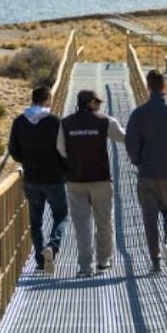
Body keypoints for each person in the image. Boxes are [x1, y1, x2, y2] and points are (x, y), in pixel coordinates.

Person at [125, 69, 167, 274]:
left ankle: (155, 262)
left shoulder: (138, 114)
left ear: (148, 87)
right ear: (164, 86)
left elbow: (130, 143)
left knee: (150, 218)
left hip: (146, 174)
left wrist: (138, 162)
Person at [58, 89, 126, 277]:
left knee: (82, 225)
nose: (99, 105)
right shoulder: (105, 121)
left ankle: (85, 266)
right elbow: (123, 137)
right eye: (97, 102)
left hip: (75, 181)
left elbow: (60, 149)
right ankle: (103, 261)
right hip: (100, 180)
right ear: (90, 103)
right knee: (104, 221)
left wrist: (74, 160)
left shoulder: (65, 123)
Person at [8, 86, 68, 275]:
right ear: (48, 99)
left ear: (32, 99)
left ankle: (40, 261)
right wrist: (66, 169)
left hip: (31, 178)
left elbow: (13, 151)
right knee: (61, 215)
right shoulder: (54, 121)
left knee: (35, 220)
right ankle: (53, 245)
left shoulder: (19, 122)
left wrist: (26, 161)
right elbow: (64, 149)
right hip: (54, 178)